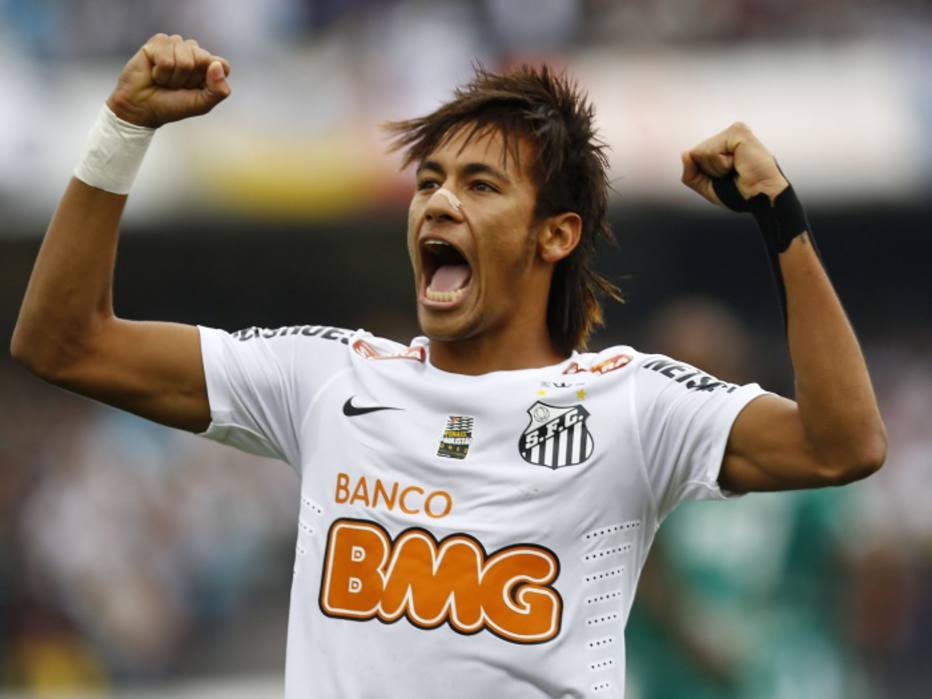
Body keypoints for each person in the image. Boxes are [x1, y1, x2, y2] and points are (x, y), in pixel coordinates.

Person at [10, 34, 886, 699]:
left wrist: (780, 220)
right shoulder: (326, 378)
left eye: (479, 185)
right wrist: (121, 132)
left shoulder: (632, 403)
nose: (438, 200)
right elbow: (62, 342)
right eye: (430, 180)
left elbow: (842, 443)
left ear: (557, 234)